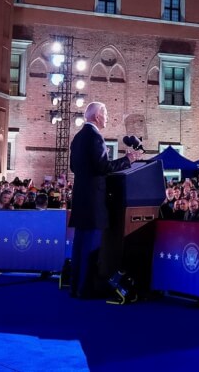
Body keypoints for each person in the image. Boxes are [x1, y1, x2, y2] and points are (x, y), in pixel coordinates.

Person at [69, 101, 139, 299]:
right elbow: (103, 167)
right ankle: (86, 290)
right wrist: (128, 160)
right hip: (94, 203)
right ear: (97, 116)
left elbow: (74, 167)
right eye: (106, 113)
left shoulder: (78, 137)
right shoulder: (95, 137)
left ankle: (75, 288)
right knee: (90, 249)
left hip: (81, 200)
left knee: (79, 248)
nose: (107, 117)